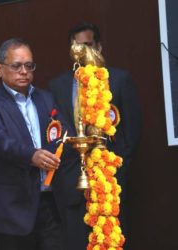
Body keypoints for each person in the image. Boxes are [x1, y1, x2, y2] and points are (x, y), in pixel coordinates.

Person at [49, 22, 142, 248]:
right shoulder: (57, 85)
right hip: (72, 182)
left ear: (99, 46)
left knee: (110, 240)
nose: (83, 51)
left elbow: (132, 129)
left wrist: (118, 168)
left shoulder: (119, 79)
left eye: (88, 45)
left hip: (108, 180)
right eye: (77, 46)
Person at [0, 38, 72, 250]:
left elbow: (63, 133)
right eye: (16, 66)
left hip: (49, 203)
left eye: (29, 66)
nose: (24, 71)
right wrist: (32, 155)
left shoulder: (46, 99)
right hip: (12, 210)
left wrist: (57, 149)